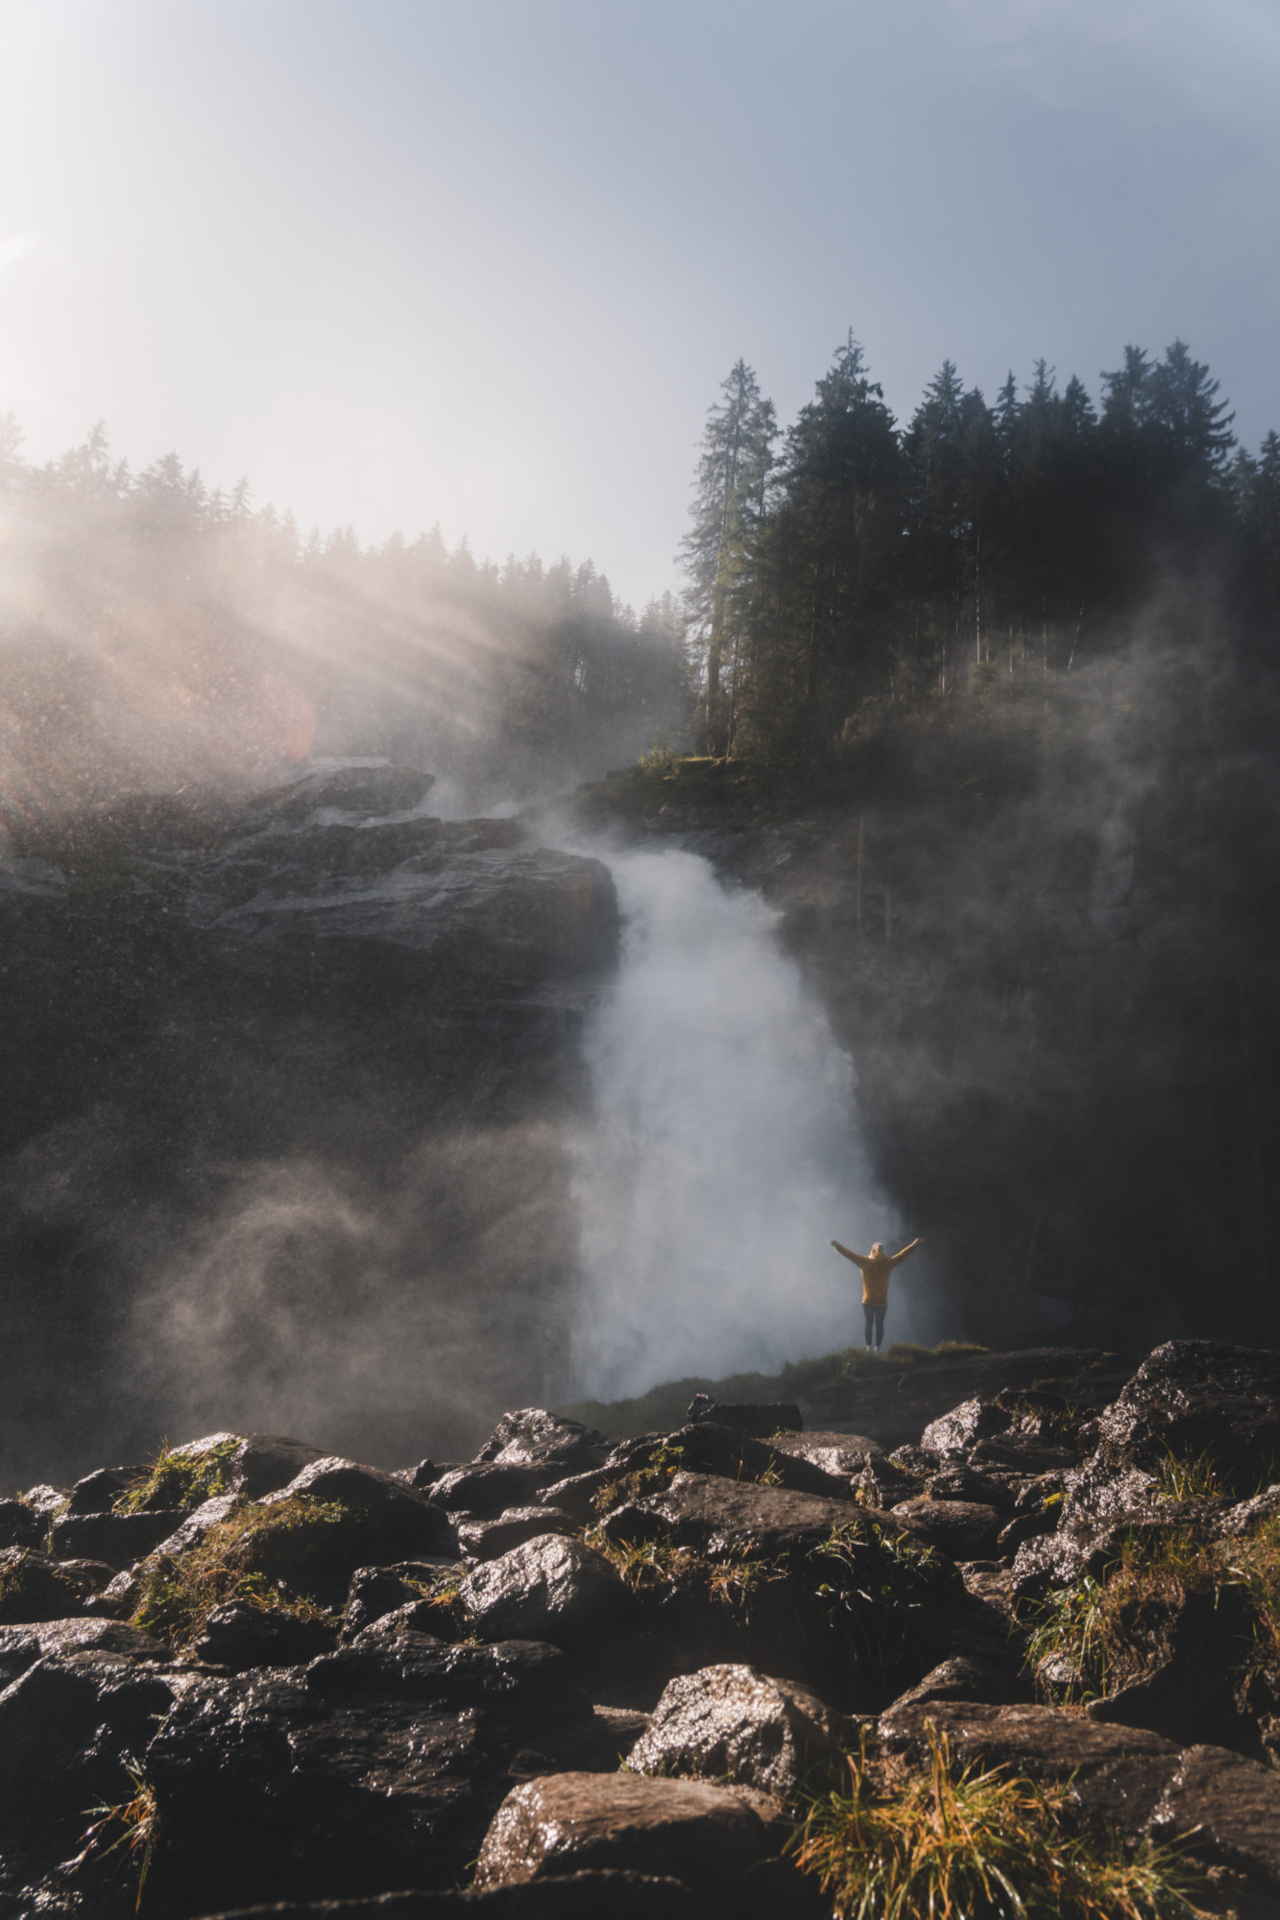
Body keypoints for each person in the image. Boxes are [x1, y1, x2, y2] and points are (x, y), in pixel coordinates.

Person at [829, 1235, 921, 1350]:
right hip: (881, 1301)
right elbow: (902, 1255)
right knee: (879, 1325)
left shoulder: (864, 1262)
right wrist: (914, 1245)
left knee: (868, 1324)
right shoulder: (888, 1263)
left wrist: (836, 1245)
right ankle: (877, 1349)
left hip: (867, 1300)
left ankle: (868, 1348)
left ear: (872, 1250)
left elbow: (849, 1254)